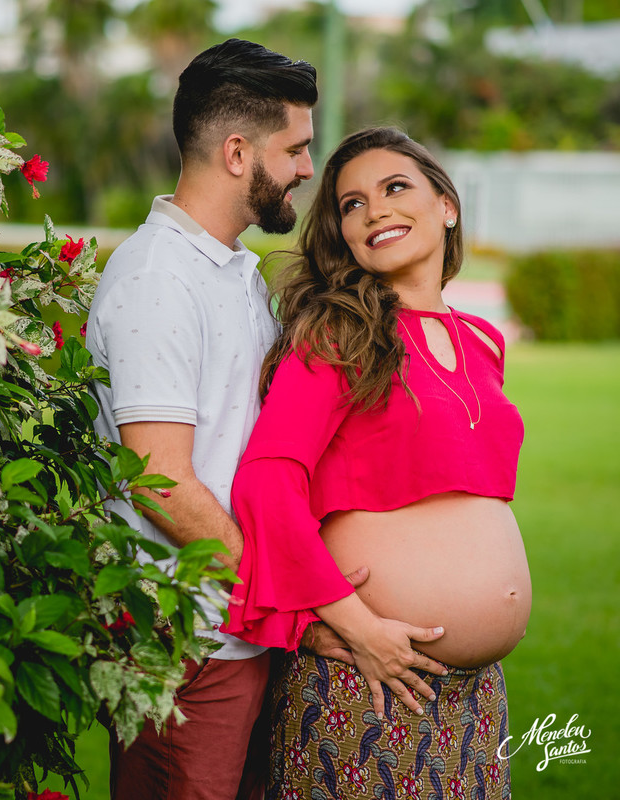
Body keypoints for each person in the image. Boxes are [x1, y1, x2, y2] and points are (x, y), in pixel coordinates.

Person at [221, 127, 531, 800]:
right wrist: (356, 626)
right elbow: (268, 482)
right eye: (352, 204)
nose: (375, 211)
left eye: (395, 188)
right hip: (368, 677)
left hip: (476, 696)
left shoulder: (482, 342)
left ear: (447, 205)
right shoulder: (339, 334)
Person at [84, 38, 319, 800]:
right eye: (296, 149)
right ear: (237, 152)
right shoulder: (159, 279)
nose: (307, 168)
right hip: (188, 648)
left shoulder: (229, 268)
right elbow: (159, 481)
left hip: (237, 636)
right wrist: (285, 589)